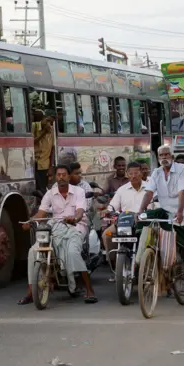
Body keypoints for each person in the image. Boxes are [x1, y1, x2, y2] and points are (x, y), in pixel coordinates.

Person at [137, 145, 184, 309]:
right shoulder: (156, 172)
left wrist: (181, 211)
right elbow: (148, 193)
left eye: (167, 154)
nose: (164, 157)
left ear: (172, 156)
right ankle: (145, 259)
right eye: (161, 154)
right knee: (143, 221)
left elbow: (183, 191)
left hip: (183, 215)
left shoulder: (181, 169)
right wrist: (140, 210)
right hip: (166, 212)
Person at [18, 164, 97, 305]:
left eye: (64, 175)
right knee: (33, 252)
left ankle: (89, 289)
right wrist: (30, 222)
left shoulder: (78, 191)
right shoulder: (50, 193)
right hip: (55, 227)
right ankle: (31, 291)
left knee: (72, 252)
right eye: (58, 175)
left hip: (76, 227)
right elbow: (41, 213)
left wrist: (75, 218)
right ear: (56, 177)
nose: (61, 177)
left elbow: (80, 211)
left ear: (69, 176)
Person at [101, 162, 148, 269]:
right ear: (127, 174)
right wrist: (108, 210)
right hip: (126, 221)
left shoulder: (149, 188)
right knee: (106, 235)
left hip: (144, 222)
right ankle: (115, 265)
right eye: (131, 173)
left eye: (136, 173)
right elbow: (113, 205)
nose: (134, 176)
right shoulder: (122, 190)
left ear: (141, 173)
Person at [33, 112, 55, 193]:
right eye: (47, 120)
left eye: (51, 123)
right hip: (34, 163)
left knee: (43, 189)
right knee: (36, 188)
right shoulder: (34, 126)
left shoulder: (51, 130)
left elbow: (53, 148)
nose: (49, 124)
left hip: (44, 165)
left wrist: (51, 166)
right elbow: (30, 142)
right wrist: (44, 133)